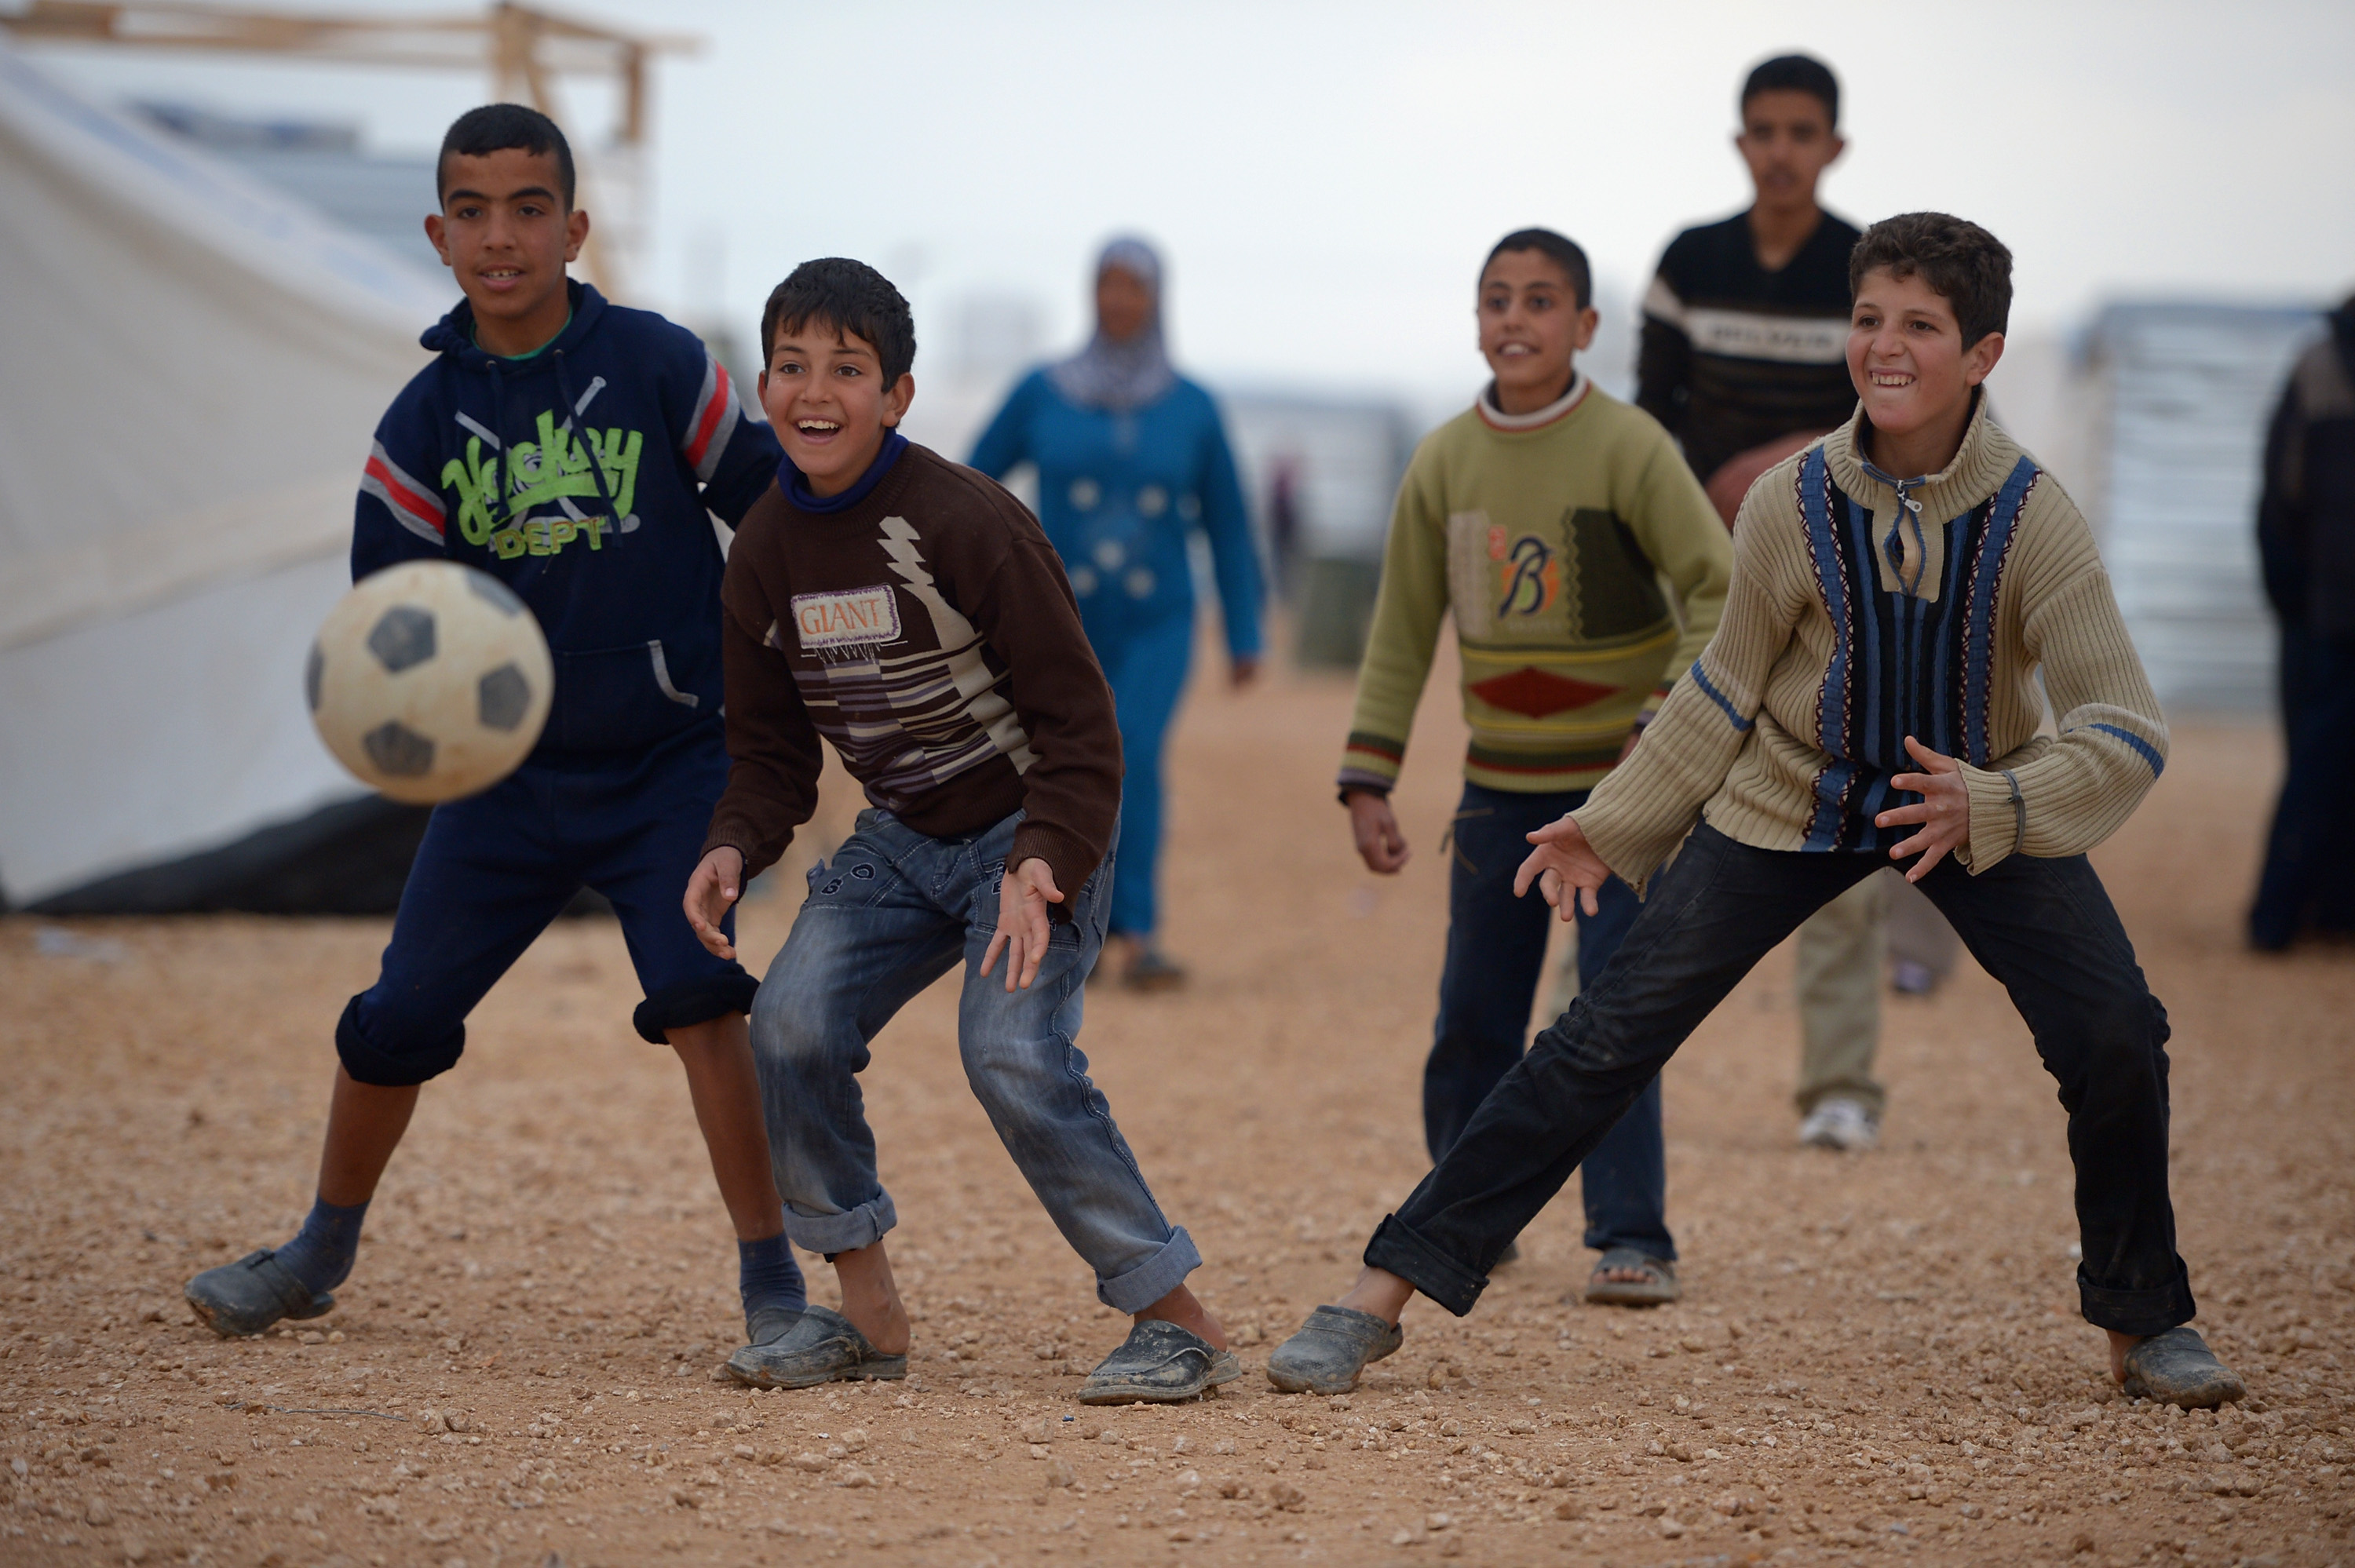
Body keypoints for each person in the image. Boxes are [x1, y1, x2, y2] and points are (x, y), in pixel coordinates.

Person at [1267, 213, 2246, 1414]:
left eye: (1921, 326)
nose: (1885, 346)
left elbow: (2126, 722)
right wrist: (1612, 820)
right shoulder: (1792, 500)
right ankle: (1375, 1293)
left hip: (1968, 804)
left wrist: (2001, 798)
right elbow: (1724, 686)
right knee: (1604, 1031)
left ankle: (2147, 1320)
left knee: (2115, 1030)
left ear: (1982, 354)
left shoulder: (2033, 515)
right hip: (1791, 793)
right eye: (1870, 319)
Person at [184, 105, 804, 1347]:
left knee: (702, 994)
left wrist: (837, 655)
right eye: (471, 212)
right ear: (438, 234)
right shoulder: (418, 428)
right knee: (397, 1017)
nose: (500, 236)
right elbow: (389, 625)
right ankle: (318, 1248)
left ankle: (773, 1282)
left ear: (575, 228)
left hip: (669, 763)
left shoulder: (658, 364)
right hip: (505, 782)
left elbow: (777, 514)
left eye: (529, 209)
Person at [683, 258, 1232, 1404]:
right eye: (791, 367)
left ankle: (1174, 1318)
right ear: (761, 387)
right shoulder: (763, 553)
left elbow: (1082, 724)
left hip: (1029, 830)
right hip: (901, 837)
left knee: (1011, 1049)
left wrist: (1044, 863)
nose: (816, 391)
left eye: (848, 369)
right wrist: (733, 842)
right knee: (789, 1022)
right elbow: (771, 753)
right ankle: (865, 1314)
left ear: (898, 394)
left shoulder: (965, 520)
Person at [1334, 228, 1731, 1312]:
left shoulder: (1630, 447)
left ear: (1586, 326)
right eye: (1497, 299)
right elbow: (1401, 633)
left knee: (1615, 1010)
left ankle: (1632, 1234)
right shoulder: (1443, 461)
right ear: (1477, 322)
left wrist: (1664, 718)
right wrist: (1368, 778)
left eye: (1541, 300)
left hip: (1620, 796)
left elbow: (1719, 586)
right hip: (1497, 789)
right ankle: (1462, 1221)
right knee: (1474, 1010)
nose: (1516, 318)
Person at [1634, 52, 1894, 1154]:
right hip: (1699, 578)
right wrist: (1692, 519)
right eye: (1765, 131)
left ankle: (1840, 1084)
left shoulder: (1866, 268)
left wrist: (1780, 468)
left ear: (1834, 146)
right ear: (1740, 143)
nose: (1781, 151)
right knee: (1647, 793)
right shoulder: (1689, 262)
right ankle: (1589, 1059)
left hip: (1834, 578)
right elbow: (1648, 420)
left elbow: (1889, 414)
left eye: (1802, 132)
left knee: (1841, 808)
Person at [969, 239, 1264, 991]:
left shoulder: (1193, 407)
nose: (1119, 301)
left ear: (1157, 298)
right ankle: (1069, 923)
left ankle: (1135, 931)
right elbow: (972, 487)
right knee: (1060, 759)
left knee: (1131, 749)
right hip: (1061, 617)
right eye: (1107, 285)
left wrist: (1245, 631)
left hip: (1160, 619)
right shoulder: (1042, 391)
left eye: (1134, 287)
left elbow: (1229, 524)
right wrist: (965, 584)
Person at [2248, 294, 2355, 950]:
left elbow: (2278, 499)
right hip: (2324, 610)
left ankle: (2280, 920)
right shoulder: (2316, 366)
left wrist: (2296, 600)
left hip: (2326, 610)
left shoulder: (2318, 363)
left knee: (2314, 767)